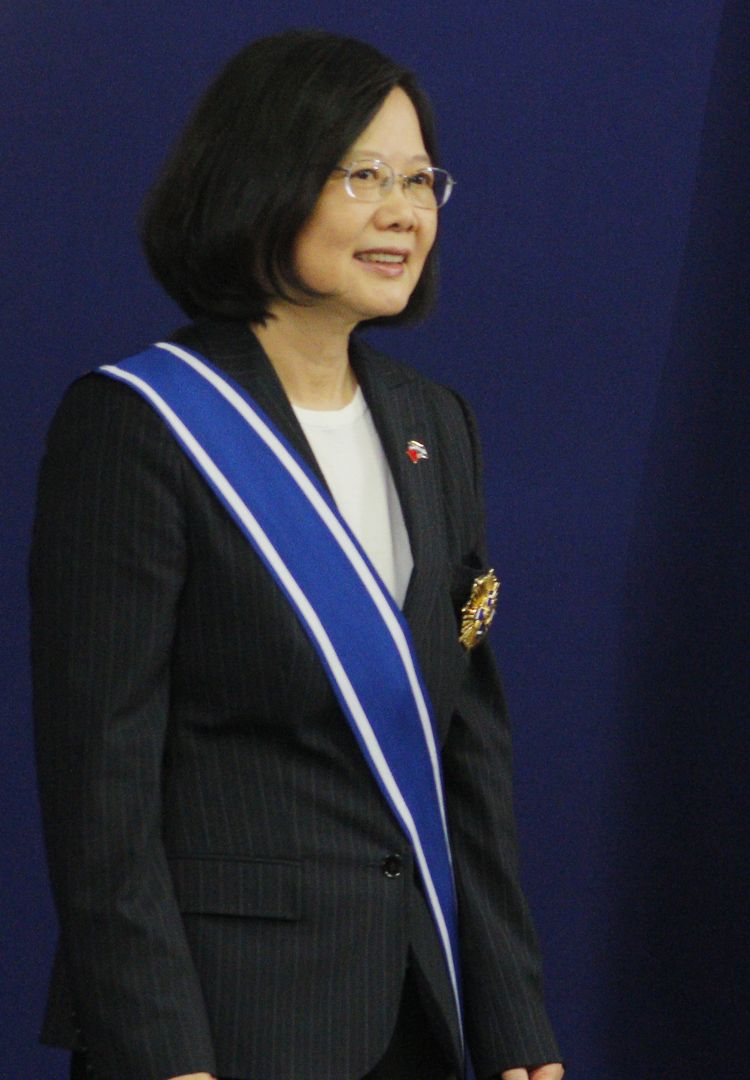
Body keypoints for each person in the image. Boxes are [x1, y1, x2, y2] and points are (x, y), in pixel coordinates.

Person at [30, 31, 562, 1080]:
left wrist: (513, 1019)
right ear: (262, 180)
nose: (405, 211)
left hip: (420, 1008)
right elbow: (102, 789)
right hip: (222, 1025)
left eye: (421, 179)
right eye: (363, 175)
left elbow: (466, 754)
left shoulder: (434, 422)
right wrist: (163, 1053)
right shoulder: (141, 423)